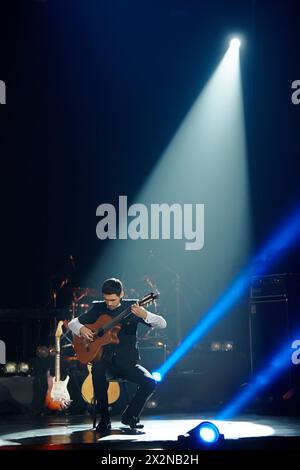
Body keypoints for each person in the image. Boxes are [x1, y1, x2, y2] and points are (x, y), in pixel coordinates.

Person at [68, 277, 167, 432]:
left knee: (150, 382)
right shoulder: (98, 308)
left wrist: (144, 315)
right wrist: (82, 329)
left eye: (113, 300)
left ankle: (130, 416)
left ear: (122, 294)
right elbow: (72, 323)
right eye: (106, 299)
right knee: (97, 370)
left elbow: (162, 323)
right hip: (105, 362)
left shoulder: (133, 307)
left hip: (127, 362)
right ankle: (105, 420)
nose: (109, 303)